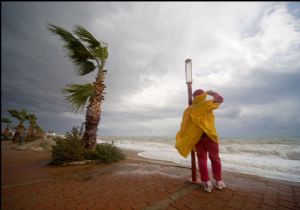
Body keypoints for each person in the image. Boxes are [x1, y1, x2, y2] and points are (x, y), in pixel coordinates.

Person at [175, 89, 225, 193]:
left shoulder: (189, 110)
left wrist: (184, 137)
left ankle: (207, 183)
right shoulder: (207, 104)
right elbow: (220, 99)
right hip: (210, 136)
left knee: (202, 160)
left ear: (194, 98)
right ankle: (218, 181)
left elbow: (184, 125)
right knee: (215, 159)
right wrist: (212, 93)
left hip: (197, 138)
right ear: (203, 96)